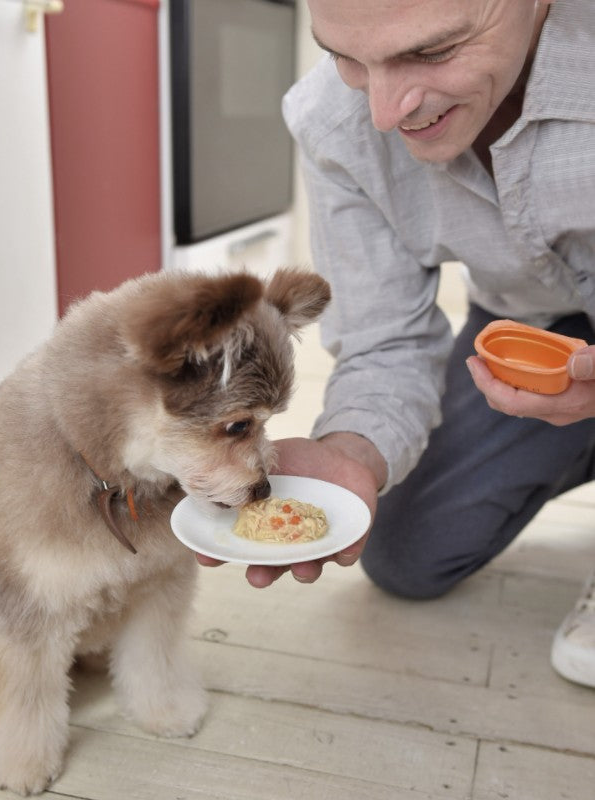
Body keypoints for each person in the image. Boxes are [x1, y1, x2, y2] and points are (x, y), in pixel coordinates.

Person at [197, 0, 595, 687]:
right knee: (404, 555)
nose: (385, 113)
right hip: (528, 330)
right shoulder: (333, 121)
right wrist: (349, 449)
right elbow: (386, 338)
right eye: (346, 56)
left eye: (432, 52)